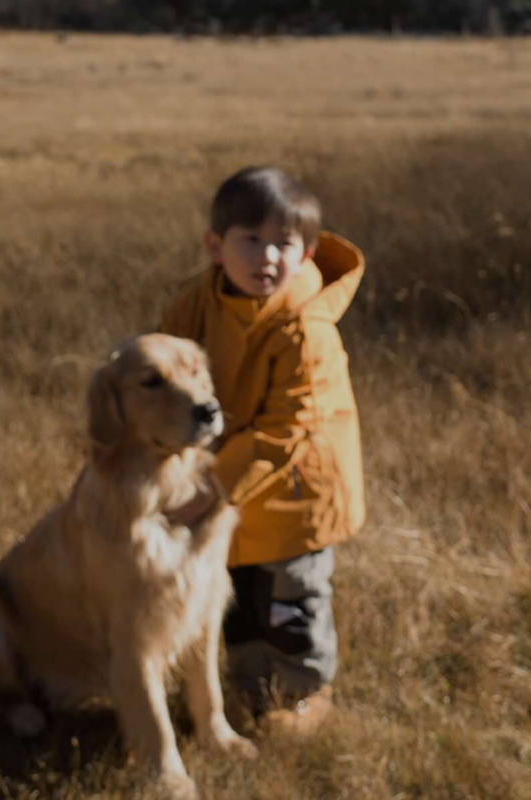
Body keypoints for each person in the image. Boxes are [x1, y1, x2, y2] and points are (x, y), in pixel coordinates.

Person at [159, 165, 366, 738]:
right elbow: (169, 365)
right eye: (250, 240)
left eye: (284, 243)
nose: (267, 257)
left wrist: (211, 488)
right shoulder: (198, 304)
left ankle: (303, 691)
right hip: (229, 480)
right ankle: (253, 685)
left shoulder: (304, 328)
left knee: (290, 597)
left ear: (307, 253)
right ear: (215, 246)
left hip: (297, 490)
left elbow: (284, 429)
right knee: (237, 590)